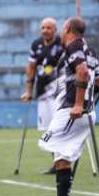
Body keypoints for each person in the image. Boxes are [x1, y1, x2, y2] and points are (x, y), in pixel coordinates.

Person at [35, 17, 99, 196]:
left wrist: (78, 104)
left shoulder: (74, 46)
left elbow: (82, 72)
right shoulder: (89, 51)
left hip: (70, 112)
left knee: (45, 141)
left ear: (66, 29)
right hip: (83, 113)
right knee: (62, 156)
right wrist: (92, 98)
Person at [21, 18, 63, 174]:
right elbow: (31, 67)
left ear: (55, 30)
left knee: (58, 127)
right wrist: (28, 90)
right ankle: (56, 162)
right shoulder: (36, 44)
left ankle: (64, 162)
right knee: (47, 129)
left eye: (49, 28)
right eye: (43, 28)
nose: (45, 30)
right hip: (42, 93)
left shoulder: (61, 44)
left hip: (59, 93)